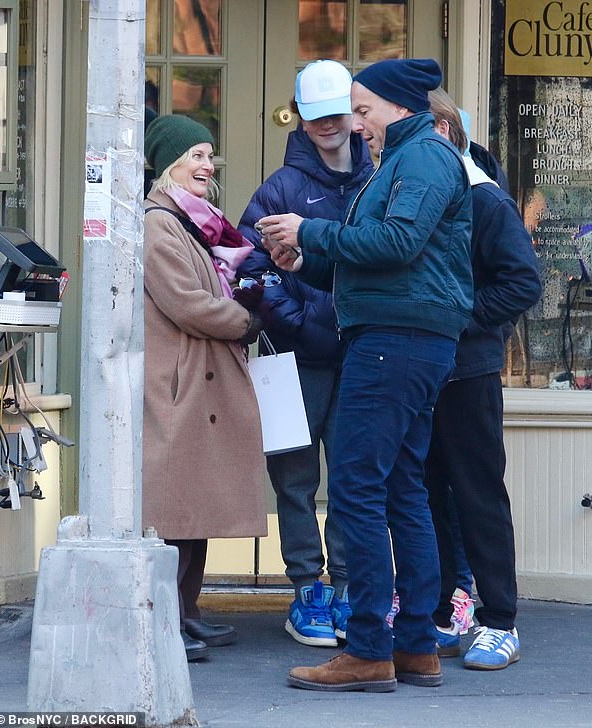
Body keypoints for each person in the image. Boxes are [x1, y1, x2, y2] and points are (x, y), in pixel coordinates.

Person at [258, 57, 473, 691]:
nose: (357, 123)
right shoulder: (407, 160)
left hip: (394, 345)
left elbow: (397, 245)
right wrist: (303, 262)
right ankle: (412, 647)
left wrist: (311, 228)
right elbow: (383, 262)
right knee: (403, 488)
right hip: (403, 338)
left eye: (364, 110)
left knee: (356, 487)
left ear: (398, 108)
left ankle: (370, 646)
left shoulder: (423, 159)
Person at [237, 60, 374, 647]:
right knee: (294, 480)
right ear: (299, 114)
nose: (328, 125)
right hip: (293, 358)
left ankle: (345, 587)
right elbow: (248, 270)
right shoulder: (280, 188)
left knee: (351, 477)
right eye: (315, 114)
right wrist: (294, 324)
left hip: (364, 353)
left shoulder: (380, 179)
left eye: (337, 112)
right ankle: (306, 589)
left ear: (354, 111)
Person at [143, 114, 267, 662]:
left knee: (195, 501)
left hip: (202, 376)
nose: (207, 165)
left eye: (209, 154)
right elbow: (187, 303)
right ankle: (166, 617)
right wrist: (246, 320)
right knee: (174, 507)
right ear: (168, 162)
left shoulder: (194, 221)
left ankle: (187, 612)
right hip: (180, 379)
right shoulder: (158, 224)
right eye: (195, 154)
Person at [425, 88, 541, 669]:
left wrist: (459, 318)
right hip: (421, 370)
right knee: (427, 495)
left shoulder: (485, 200)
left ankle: (501, 621)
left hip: (467, 371)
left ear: (444, 131)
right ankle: (448, 611)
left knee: (477, 495)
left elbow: (523, 283)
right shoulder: (417, 191)